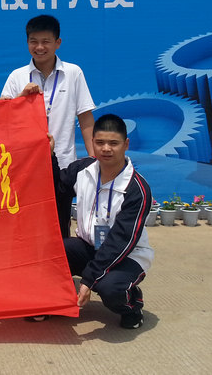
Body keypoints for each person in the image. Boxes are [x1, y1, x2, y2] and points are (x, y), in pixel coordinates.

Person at [56, 114, 154, 329]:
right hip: (88, 246)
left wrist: (88, 280)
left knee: (110, 288)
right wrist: (48, 153)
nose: (106, 149)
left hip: (126, 255)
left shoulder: (137, 189)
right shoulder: (82, 169)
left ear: (126, 144)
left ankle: (132, 303)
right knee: (51, 253)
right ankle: (56, 302)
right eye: (100, 142)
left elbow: (120, 242)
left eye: (113, 143)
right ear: (92, 142)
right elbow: (55, 187)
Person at [1, 14, 94, 166]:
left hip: (64, 162)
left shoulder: (73, 73)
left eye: (45, 42)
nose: (39, 47)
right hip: (26, 162)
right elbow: (4, 119)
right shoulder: (16, 76)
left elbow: (85, 118)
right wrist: (20, 99)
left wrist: (94, 158)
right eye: (34, 41)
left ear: (58, 43)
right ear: (27, 42)